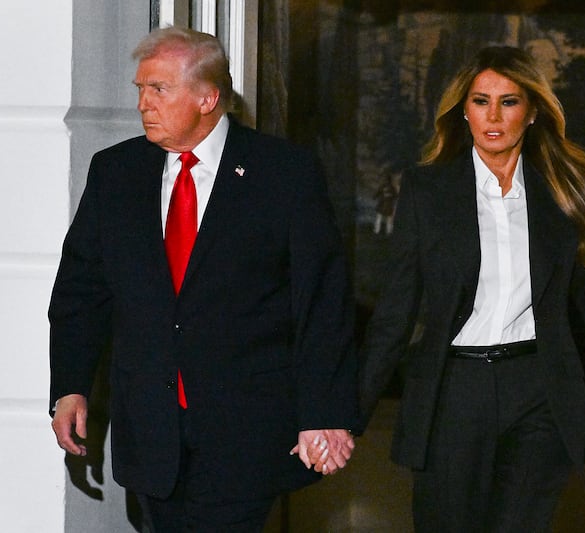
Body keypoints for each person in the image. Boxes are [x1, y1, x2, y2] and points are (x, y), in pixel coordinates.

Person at [357, 46, 585, 532]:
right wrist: (345, 418)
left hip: (539, 391)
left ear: (531, 113)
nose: (493, 115)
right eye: (480, 100)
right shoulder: (429, 191)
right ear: (462, 110)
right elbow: (395, 313)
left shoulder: (566, 190)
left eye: (508, 102)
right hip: (454, 392)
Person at [48, 26, 357, 532]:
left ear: (208, 97)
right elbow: (81, 292)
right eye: (141, 89)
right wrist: (70, 386)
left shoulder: (284, 174)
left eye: (159, 89)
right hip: (149, 431)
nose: (143, 103)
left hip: (245, 433)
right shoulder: (116, 173)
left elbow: (321, 303)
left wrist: (325, 412)